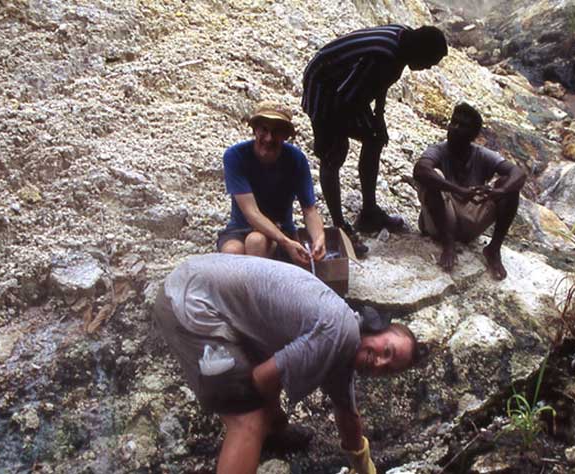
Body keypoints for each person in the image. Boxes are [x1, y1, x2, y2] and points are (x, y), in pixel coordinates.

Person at [153, 253, 419, 474]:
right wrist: (264, 413)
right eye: (387, 350)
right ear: (375, 327)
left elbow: (347, 412)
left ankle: (275, 432)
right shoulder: (337, 331)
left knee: (279, 365)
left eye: (389, 368)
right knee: (248, 417)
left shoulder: (347, 338)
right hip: (191, 304)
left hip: (202, 288)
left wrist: (363, 466)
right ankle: (265, 430)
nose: (381, 362)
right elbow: (261, 379)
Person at [302, 24, 448, 254]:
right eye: (429, 61)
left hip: (347, 88)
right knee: (333, 154)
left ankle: (369, 212)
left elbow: (380, 84)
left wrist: (378, 119)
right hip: (325, 87)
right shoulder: (385, 56)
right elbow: (347, 97)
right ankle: (340, 226)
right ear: (419, 51)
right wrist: (335, 135)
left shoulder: (403, 41)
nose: (428, 67)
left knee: (375, 138)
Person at [413, 103, 526, 280]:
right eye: (453, 123)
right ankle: (448, 244)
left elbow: (518, 173)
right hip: (439, 223)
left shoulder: (482, 154)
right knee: (432, 176)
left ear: (473, 135)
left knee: (509, 187)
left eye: (462, 126)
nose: (455, 129)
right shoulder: (437, 150)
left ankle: (493, 249)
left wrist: (501, 190)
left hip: (469, 221)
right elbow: (420, 170)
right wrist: (458, 189)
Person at [217, 101, 325, 266]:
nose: (269, 138)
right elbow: (251, 212)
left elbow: (309, 210)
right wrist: (285, 243)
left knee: (256, 242)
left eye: (276, 132)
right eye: (264, 130)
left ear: (286, 136)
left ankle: (257, 291)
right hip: (240, 227)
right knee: (232, 252)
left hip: (281, 230)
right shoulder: (235, 156)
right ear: (255, 130)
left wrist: (319, 238)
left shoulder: (296, 159)